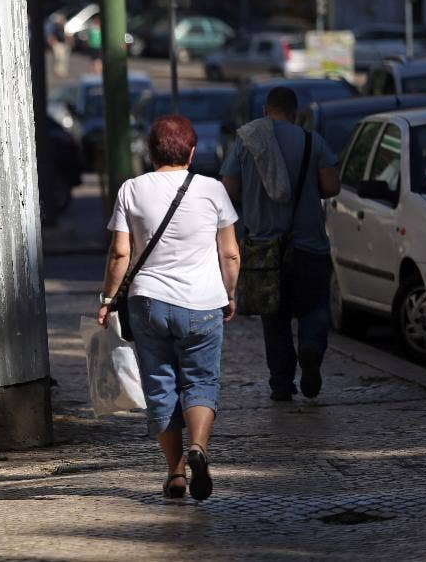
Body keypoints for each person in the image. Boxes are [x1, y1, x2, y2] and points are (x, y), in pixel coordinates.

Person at [98, 115, 241, 501]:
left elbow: (120, 253)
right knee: (201, 380)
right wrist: (230, 294)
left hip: (148, 303)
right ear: (192, 151)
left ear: (150, 152)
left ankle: (176, 474)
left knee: (160, 384)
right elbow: (229, 253)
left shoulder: (132, 189)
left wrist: (109, 299)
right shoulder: (212, 191)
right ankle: (199, 447)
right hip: (203, 302)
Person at [220, 87, 341, 401]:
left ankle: (281, 384)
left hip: (264, 248)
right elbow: (331, 186)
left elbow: (228, 189)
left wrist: (255, 192)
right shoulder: (313, 141)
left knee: (274, 318)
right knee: (314, 307)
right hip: (309, 244)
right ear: (295, 111)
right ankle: (311, 349)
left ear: (265, 110)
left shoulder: (246, 142)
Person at [45, 13, 72, 77]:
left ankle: (62, 71)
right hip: (58, 44)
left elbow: (65, 36)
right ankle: (59, 71)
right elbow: (51, 36)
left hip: (63, 44)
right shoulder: (56, 27)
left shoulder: (63, 27)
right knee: (59, 58)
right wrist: (53, 42)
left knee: (63, 58)